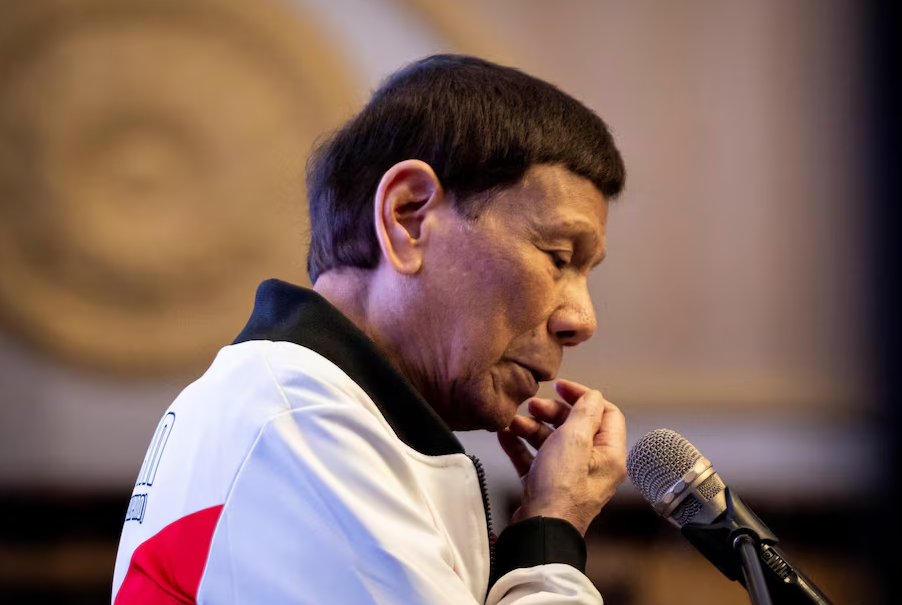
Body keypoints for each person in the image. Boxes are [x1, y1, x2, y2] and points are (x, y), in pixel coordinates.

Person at [111, 54, 628, 605]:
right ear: (407, 216)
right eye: (558, 255)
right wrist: (551, 531)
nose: (582, 320)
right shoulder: (300, 422)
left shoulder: (297, 410)